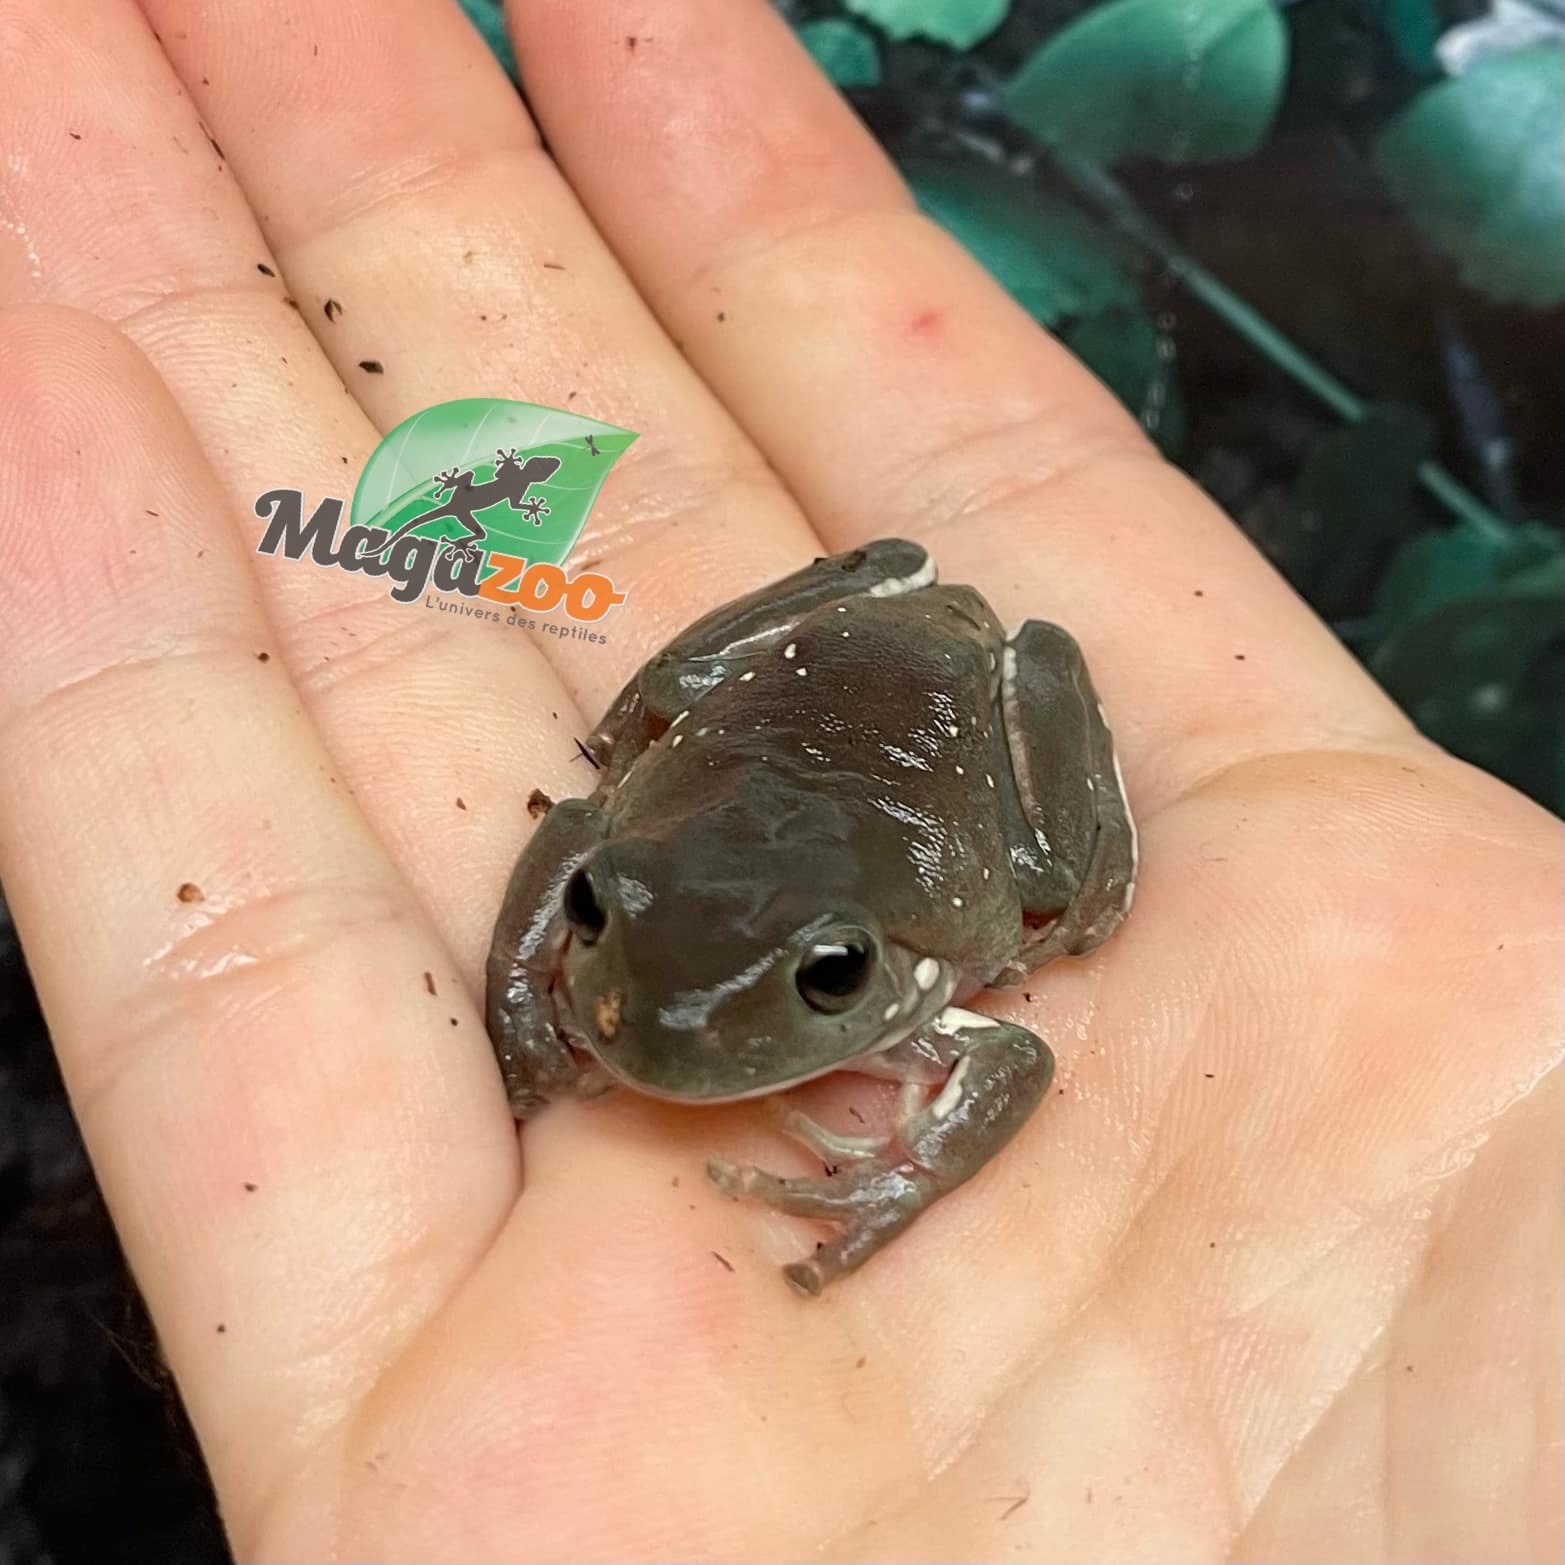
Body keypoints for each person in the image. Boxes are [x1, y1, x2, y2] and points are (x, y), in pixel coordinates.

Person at [0, 1, 1557, 1559]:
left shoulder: (938, 970)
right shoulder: (632, 896)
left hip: (924, 751)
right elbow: (592, 841)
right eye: (610, 926)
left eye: (823, 980)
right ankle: (819, 672)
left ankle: (869, 765)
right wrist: (535, 1003)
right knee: (658, 729)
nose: (658, 1023)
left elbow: (1008, 1065)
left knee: (1057, 900)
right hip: (784, 719)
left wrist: (904, 1171)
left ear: (873, 969)